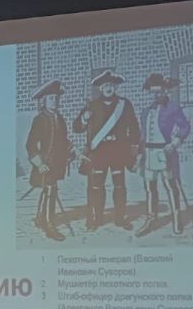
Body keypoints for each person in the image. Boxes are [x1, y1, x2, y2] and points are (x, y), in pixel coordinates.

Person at [73, 70, 140, 229]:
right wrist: (84, 118)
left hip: (118, 151)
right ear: (100, 88)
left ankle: (120, 218)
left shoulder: (124, 104)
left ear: (115, 87)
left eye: (111, 85)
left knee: (119, 186)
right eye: (105, 86)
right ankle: (96, 219)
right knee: (96, 187)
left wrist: (133, 146)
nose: (108, 88)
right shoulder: (92, 106)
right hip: (99, 152)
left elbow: (134, 127)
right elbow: (77, 128)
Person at [136, 73, 191, 237]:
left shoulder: (173, 108)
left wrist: (174, 143)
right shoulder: (147, 111)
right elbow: (143, 134)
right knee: (150, 188)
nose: (156, 95)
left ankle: (176, 218)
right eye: (153, 92)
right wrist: (139, 152)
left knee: (170, 186)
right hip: (149, 153)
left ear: (165, 91)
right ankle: (151, 219)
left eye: (159, 92)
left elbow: (185, 127)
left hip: (164, 152)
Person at [25, 79, 72, 241]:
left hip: (57, 164)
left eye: (56, 98)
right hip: (45, 163)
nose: (54, 101)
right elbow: (30, 144)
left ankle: (40, 217)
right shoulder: (40, 119)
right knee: (50, 190)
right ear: (44, 101)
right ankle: (48, 224)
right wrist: (39, 163)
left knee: (50, 189)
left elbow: (64, 141)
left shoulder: (60, 118)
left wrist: (73, 152)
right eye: (51, 98)